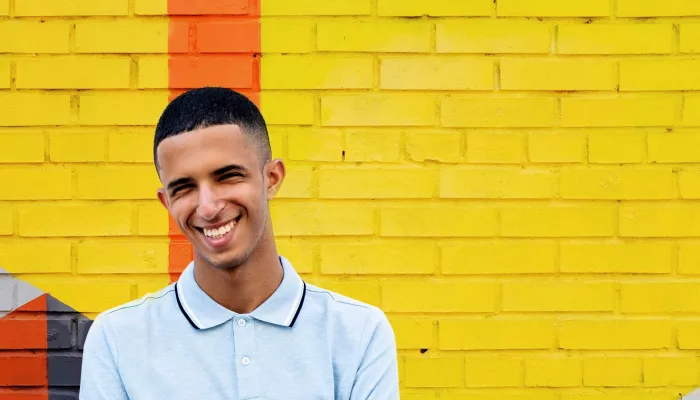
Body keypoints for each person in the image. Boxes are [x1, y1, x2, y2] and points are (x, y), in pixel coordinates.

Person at [79, 87, 400, 399]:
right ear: (166, 202)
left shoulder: (358, 333)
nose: (207, 207)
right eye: (184, 188)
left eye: (228, 176)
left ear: (271, 179)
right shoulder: (117, 339)